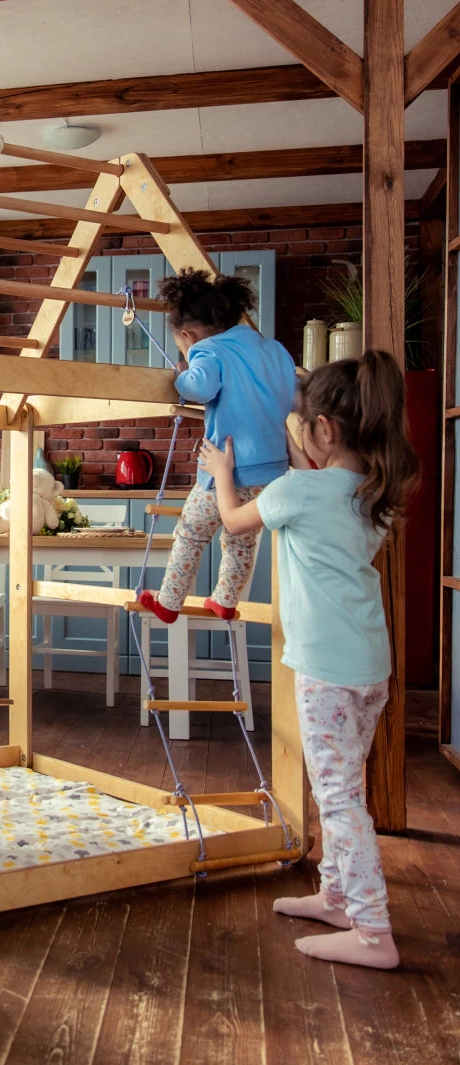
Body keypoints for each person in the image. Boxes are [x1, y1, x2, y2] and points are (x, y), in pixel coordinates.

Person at [199, 349, 419, 970]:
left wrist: (221, 468)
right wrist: (300, 433)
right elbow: (310, 484)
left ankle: (374, 931)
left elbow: (235, 520)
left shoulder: (299, 491)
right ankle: (338, 897)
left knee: (340, 796)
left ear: (324, 431)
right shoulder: (369, 494)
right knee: (342, 783)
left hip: (326, 671)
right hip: (368, 667)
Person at [138, 268, 296, 624]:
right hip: (272, 472)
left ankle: (168, 601)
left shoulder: (207, 350)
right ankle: (226, 599)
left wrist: (182, 374)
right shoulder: (272, 349)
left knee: (191, 533)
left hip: (228, 468)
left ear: (187, 335)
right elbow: (291, 389)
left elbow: (200, 388)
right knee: (241, 538)